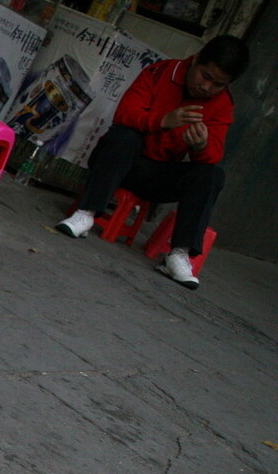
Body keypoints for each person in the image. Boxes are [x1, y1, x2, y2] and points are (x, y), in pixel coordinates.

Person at [54, 35, 249, 289]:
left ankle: (179, 253)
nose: (207, 88)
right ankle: (86, 214)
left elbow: (214, 154)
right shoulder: (160, 72)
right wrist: (162, 121)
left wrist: (200, 146)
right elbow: (124, 114)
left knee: (211, 174)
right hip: (119, 161)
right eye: (205, 76)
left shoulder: (222, 104)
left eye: (218, 84)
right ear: (197, 59)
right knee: (125, 136)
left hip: (157, 176)